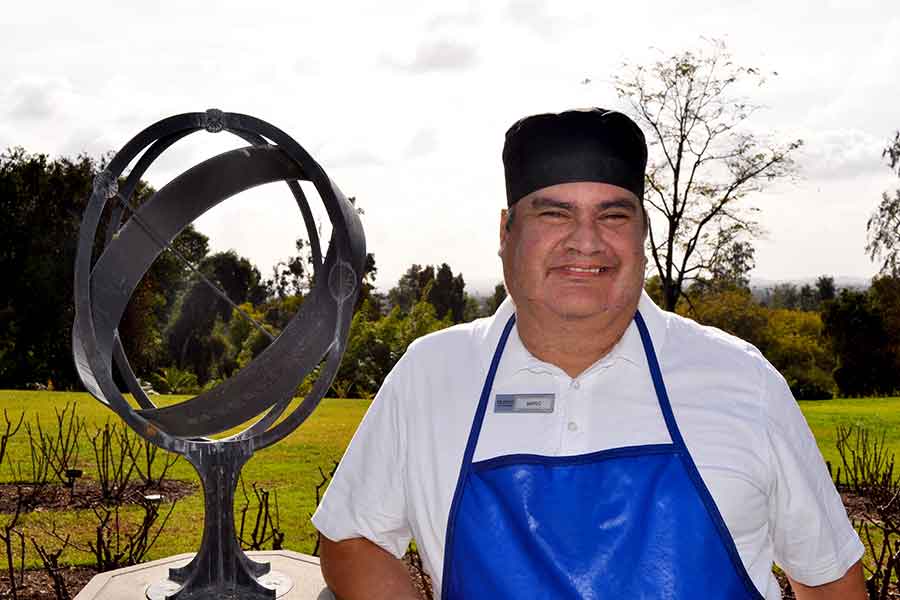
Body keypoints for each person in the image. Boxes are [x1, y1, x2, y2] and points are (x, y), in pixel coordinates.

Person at [312, 108, 867, 599]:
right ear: (506, 233)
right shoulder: (432, 376)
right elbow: (350, 534)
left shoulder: (743, 380)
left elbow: (829, 579)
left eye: (614, 215)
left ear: (642, 233)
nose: (587, 241)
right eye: (554, 214)